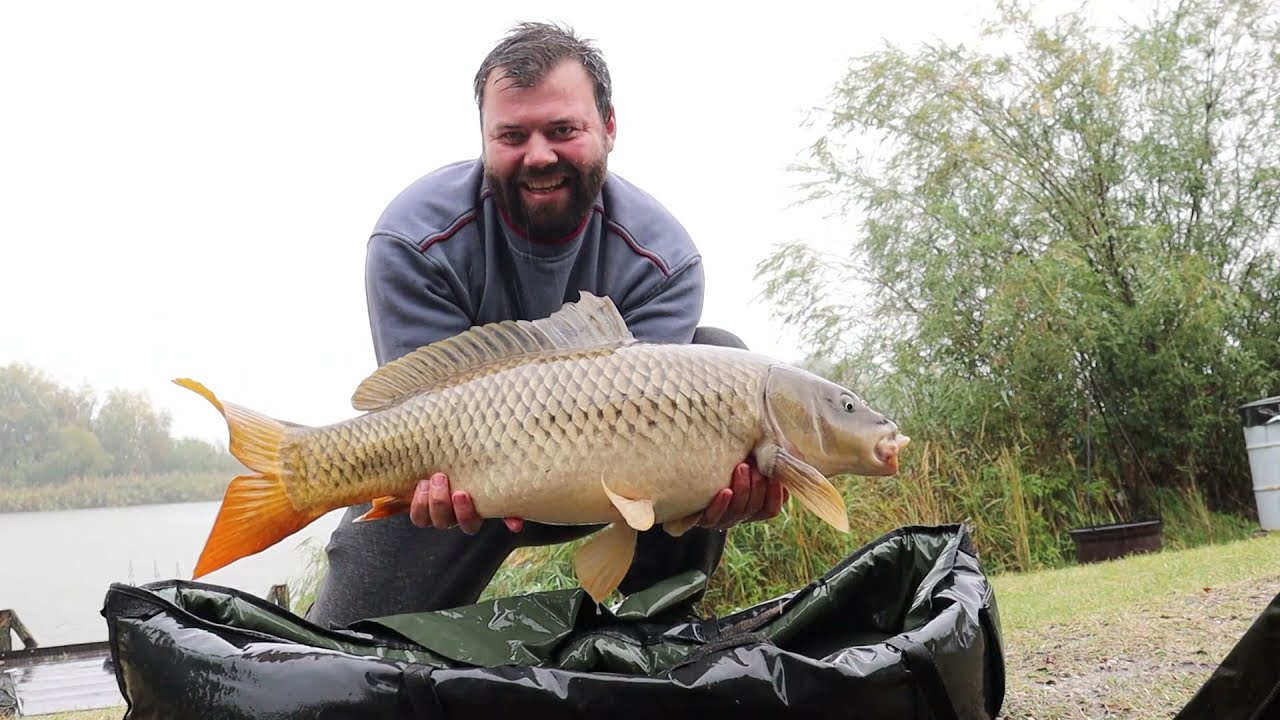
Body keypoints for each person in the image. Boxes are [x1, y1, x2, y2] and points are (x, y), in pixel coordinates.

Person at [306, 21, 785, 629]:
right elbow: (414, 409)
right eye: (512, 135)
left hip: (617, 479)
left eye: (563, 130)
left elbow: (667, 432)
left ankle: (653, 644)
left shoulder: (663, 259)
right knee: (341, 648)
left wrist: (711, 490)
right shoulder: (412, 239)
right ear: (483, 138)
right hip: (463, 480)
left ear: (609, 128)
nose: (538, 155)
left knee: (721, 358)